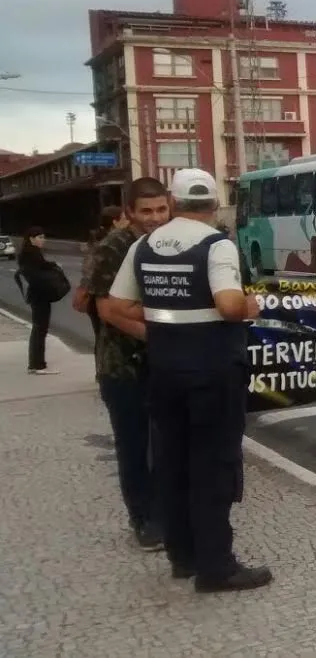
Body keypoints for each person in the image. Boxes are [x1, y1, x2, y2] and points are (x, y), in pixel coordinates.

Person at [108, 168, 272, 593]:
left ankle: (183, 557)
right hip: (213, 373)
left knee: (172, 464)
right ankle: (217, 568)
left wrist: (168, 328)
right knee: (213, 467)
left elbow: (119, 304)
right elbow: (229, 304)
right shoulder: (216, 245)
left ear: (174, 203)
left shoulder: (144, 244)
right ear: (214, 205)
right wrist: (253, 305)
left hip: (164, 371)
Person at [92, 180, 170, 551]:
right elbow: (108, 311)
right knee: (135, 444)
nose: (154, 218)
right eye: (146, 211)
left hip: (164, 366)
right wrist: (168, 335)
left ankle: (168, 511)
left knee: (167, 442)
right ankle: (143, 518)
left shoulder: (170, 244)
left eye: (161, 210)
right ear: (129, 213)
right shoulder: (113, 248)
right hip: (122, 366)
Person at [15, 226, 69, 374]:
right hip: (39, 297)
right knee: (40, 329)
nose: (42, 240)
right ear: (31, 239)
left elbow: (42, 266)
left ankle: (36, 363)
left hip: (38, 296)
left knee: (39, 329)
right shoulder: (29, 255)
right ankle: (37, 365)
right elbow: (35, 276)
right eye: (39, 237)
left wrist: (53, 265)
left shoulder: (33, 254)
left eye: (43, 237)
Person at [76, 206, 128, 343]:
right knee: (109, 340)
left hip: (95, 298)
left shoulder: (97, 241)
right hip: (102, 298)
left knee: (102, 339)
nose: (128, 222)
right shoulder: (108, 245)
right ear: (115, 222)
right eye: (124, 218)